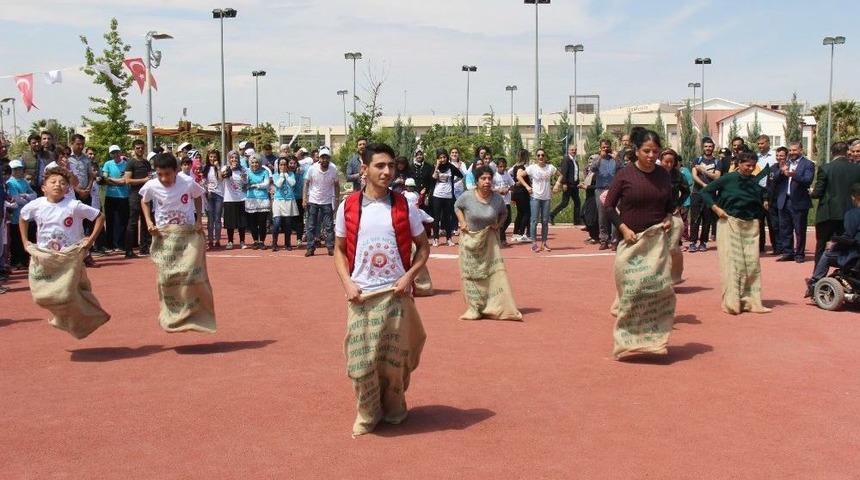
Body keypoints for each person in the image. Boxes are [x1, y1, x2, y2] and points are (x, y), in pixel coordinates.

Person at [333, 142, 429, 437]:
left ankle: (394, 408)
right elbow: (338, 251)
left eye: (390, 166)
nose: (388, 172)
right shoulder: (348, 206)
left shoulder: (404, 207)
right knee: (361, 363)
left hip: (396, 296)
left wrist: (408, 277)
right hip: (362, 296)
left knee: (393, 363)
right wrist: (347, 283)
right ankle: (367, 411)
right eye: (380, 166)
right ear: (364, 169)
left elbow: (423, 247)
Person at [604, 128, 676, 358]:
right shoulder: (625, 175)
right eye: (646, 151)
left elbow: (670, 207)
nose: (651, 155)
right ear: (636, 151)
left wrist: (667, 219)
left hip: (656, 242)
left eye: (655, 151)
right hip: (631, 241)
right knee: (633, 291)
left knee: (657, 290)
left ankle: (654, 341)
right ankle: (627, 341)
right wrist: (623, 228)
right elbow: (608, 205)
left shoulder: (664, 175)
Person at [700, 152, 772, 314]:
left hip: (750, 226)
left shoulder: (755, 182)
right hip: (729, 223)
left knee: (752, 264)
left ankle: (752, 302)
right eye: (747, 165)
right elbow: (705, 192)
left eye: (753, 166)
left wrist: (760, 212)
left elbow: (760, 199)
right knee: (733, 264)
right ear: (739, 163)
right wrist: (717, 209)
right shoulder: (728, 178)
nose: (750, 168)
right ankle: (731, 302)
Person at [19, 167, 104, 254]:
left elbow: (100, 216)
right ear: (44, 188)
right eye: (53, 182)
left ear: (67, 189)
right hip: (45, 255)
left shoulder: (74, 205)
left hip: (70, 255)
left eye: (62, 183)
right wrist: (25, 242)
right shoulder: (37, 205)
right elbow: (23, 217)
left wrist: (90, 240)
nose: (57, 185)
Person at [806, 183, 860, 297]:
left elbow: (849, 237)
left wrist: (834, 242)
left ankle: (814, 283)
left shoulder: (853, 214)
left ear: (854, 197)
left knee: (827, 254)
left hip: (855, 256)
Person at [811, 142, 860, 265]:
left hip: (827, 214)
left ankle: (818, 276)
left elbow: (817, 193)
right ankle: (846, 273)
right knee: (849, 245)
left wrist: (810, 192)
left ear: (832, 153)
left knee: (822, 246)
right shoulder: (856, 169)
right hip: (849, 213)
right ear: (847, 152)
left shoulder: (825, 168)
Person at [140, 153, 205, 235]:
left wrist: (199, 219)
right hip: (163, 232)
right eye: (159, 174)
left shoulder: (188, 182)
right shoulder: (151, 185)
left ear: (176, 171)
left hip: (186, 230)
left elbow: (198, 196)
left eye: (167, 174)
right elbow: (144, 201)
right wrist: (148, 221)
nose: (163, 178)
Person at [773, 142, 814, 263]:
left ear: (801, 150)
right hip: (784, 200)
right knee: (785, 228)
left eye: (794, 150)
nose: (792, 153)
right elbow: (774, 179)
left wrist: (793, 174)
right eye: (790, 150)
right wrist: (781, 172)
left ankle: (799, 254)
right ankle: (788, 252)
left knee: (799, 230)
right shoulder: (786, 162)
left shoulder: (808, 164)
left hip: (799, 201)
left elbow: (808, 180)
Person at [521, 148, 560, 252]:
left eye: (542, 155)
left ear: (545, 157)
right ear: (536, 157)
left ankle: (544, 243)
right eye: (538, 155)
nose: (540, 157)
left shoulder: (550, 167)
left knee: (545, 221)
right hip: (535, 198)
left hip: (546, 198)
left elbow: (560, 176)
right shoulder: (532, 168)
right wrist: (527, 187)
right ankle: (534, 243)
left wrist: (557, 184)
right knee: (534, 221)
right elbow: (519, 175)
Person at [303, 146, 339, 256]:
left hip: (327, 200)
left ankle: (330, 247)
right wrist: (305, 198)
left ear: (329, 158)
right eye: (322, 158)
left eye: (327, 157)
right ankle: (310, 248)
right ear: (319, 158)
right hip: (313, 200)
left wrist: (336, 199)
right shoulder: (312, 168)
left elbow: (337, 185)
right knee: (311, 226)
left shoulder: (333, 168)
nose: (325, 160)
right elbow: (306, 183)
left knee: (328, 226)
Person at [688, 137, 722, 252]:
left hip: (710, 195)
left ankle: (703, 242)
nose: (708, 148)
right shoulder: (697, 160)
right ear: (703, 148)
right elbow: (694, 175)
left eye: (710, 146)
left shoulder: (717, 162)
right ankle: (692, 242)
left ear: (713, 148)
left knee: (707, 219)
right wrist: (703, 184)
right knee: (695, 218)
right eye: (706, 146)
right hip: (697, 193)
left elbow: (717, 176)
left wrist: (703, 170)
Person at [121, 140, 152, 258]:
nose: (140, 150)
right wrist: (143, 180)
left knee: (146, 221)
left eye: (142, 148)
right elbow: (127, 180)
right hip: (134, 196)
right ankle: (128, 250)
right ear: (134, 149)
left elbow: (150, 177)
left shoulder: (146, 163)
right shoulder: (130, 163)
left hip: (146, 196)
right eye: (138, 148)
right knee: (133, 223)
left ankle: (145, 248)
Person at [429, 148, 464, 247]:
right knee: (436, 218)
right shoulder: (435, 167)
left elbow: (461, 175)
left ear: (447, 157)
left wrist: (453, 182)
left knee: (447, 218)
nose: (443, 159)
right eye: (440, 158)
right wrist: (437, 166)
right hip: (437, 195)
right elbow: (432, 179)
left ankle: (449, 238)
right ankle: (436, 238)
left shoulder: (451, 167)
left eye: (444, 157)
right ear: (437, 158)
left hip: (448, 196)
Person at [6, 160, 37, 268]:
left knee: (29, 238)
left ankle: (25, 261)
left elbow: (34, 195)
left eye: (19, 168)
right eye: (15, 169)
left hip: (28, 217)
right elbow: (16, 199)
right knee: (17, 240)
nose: (18, 171)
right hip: (16, 217)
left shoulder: (23, 181)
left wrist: (26, 196)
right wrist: (27, 198)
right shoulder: (10, 182)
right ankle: (16, 261)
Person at [591, 139, 620, 250]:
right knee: (602, 216)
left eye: (607, 147)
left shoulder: (615, 160)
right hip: (600, 190)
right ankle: (603, 240)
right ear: (600, 148)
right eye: (603, 147)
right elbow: (593, 168)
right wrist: (600, 157)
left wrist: (616, 158)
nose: (606, 149)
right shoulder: (597, 159)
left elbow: (623, 169)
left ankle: (614, 241)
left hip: (614, 190)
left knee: (614, 216)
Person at [101, 145, 129, 253]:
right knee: (110, 220)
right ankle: (110, 244)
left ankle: (120, 244)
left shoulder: (126, 164)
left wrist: (111, 180)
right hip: (110, 196)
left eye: (117, 152)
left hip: (123, 196)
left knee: (121, 221)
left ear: (120, 152)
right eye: (113, 153)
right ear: (110, 154)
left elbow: (125, 181)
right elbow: (104, 178)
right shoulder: (107, 164)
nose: (115, 154)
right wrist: (117, 180)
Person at [271, 156, 300, 252]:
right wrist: (282, 175)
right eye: (281, 164)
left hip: (289, 201)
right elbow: (278, 184)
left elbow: (292, 183)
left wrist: (286, 175)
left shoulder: (291, 174)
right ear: (278, 166)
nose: (282, 166)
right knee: (277, 222)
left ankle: (287, 243)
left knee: (288, 223)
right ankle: (274, 243)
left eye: (284, 164)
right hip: (278, 201)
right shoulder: (275, 175)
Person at [221, 151, 248, 249]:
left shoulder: (243, 169)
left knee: (242, 222)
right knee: (230, 223)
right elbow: (222, 177)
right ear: (229, 159)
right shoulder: (225, 168)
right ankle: (230, 241)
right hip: (229, 199)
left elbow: (245, 182)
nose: (234, 160)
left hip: (241, 198)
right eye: (232, 158)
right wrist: (230, 169)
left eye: (236, 158)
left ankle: (242, 241)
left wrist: (243, 176)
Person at [244, 155, 271, 250]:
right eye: (252, 162)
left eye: (256, 162)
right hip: (251, 199)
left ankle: (262, 241)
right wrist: (244, 179)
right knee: (252, 222)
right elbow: (245, 182)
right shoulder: (247, 172)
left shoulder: (265, 171)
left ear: (260, 163)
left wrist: (256, 185)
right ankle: (255, 240)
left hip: (263, 199)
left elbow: (266, 184)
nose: (255, 164)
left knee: (262, 222)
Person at [550, 144, 582, 225]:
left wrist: (578, 182)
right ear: (568, 151)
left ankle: (577, 220)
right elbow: (563, 173)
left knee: (577, 202)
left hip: (574, 186)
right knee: (564, 203)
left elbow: (575, 173)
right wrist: (564, 183)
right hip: (568, 185)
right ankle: (552, 215)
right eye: (572, 150)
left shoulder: (575, 161)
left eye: (575, 150)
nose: (574, 151)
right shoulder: (566, 159)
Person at [202, 150, 225, 249]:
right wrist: (206, 189)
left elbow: (221, 178)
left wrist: (218, 166)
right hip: (209, 195)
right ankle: (210, 240)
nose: (212, 159)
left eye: (214, 157)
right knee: (210, 219)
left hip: (219, 194)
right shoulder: (205, 168)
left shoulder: (221, 167)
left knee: (217, 219)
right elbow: (203, 181)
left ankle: (218, 240)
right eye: (211, 157)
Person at [509, 149, 532, 243]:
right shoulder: (521, 167)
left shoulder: (515, 166)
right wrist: (526, 185)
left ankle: (515, 233)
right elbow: (519, 176)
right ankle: (521, 233)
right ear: (525, 156)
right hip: (522, 192)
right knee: (527, 213)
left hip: (517, 193)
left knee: (520, 213)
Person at [492, 158, 515, 245]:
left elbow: (512, 184)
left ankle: (499, 235)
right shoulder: (494, 176)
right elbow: (490, 188)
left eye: (504, 167)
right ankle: (502, 239)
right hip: (498, 201)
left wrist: (507, 189)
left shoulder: (507, 174)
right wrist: (499, 190)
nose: (502, 168)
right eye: (500, 166)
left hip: (506, 201)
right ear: (497, 167)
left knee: (508, 220)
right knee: (501, 220)